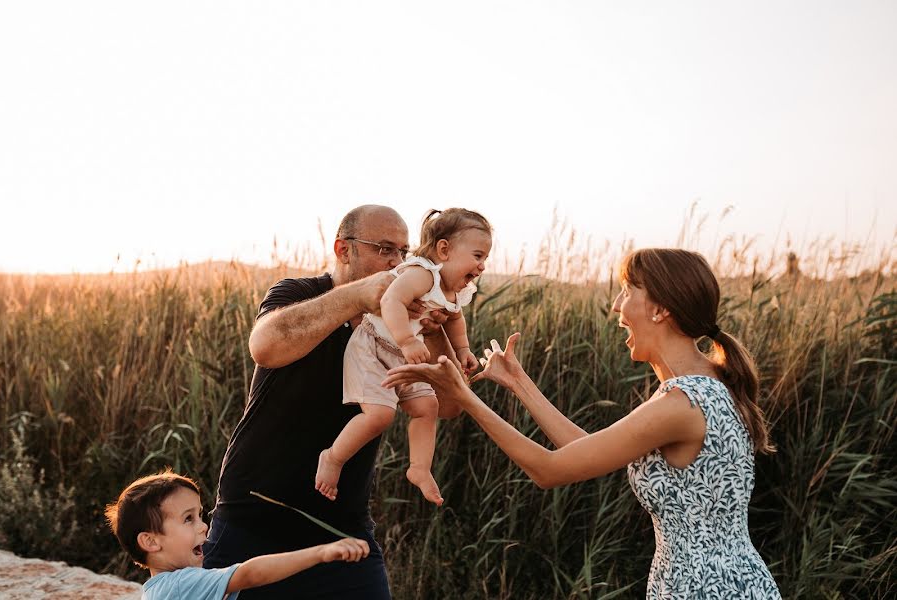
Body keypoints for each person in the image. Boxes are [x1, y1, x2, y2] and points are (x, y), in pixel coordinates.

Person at [383, 248, 782, 599]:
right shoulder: (708, 386)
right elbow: (584, 451)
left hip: (705, 589)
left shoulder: (680, 403)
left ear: (661, 310)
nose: (616, 308)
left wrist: (466, 397)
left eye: (628, 293)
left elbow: (548, 471)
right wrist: (519, 384)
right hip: (725, 582)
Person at [204, 205, 461, 599]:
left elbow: (448, 406)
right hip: (253, 515)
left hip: (344, 527)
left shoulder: (406, 318)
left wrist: (437, 333)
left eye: (403, 253)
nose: (396, 262)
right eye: (384, 249)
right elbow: (265, 346)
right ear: (344, 249)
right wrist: (359, 296)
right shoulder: (298, 293)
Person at [315, 208, 491, 506]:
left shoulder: (453, 291)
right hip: (373, 346)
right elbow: (390, 299)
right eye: (477, 256)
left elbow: (455, 320)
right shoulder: (422, 273)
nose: (482, 265)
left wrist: (462, 350)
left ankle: (419, 468)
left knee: (428, 406)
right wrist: (408, 339)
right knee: (381, 415)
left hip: (403, 355)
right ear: (444, 249)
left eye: (485, 258)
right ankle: (332, 457)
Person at [104, 470, 370, 600]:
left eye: (200, 515)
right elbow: (249, 574)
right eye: (188, 519)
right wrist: (320, 552)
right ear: (150, 541)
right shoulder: (181, 585)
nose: (203, 526)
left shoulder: (158, 591)